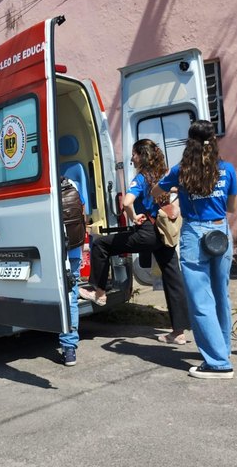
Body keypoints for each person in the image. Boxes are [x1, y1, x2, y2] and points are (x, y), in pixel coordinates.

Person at [79, 139, 190, 343]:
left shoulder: (140, 179)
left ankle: (99, 291)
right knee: (173, 278)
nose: (131, 157)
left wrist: (132, 215)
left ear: (141, 155)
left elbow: (126, 201)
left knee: (102, 244)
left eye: (134, 154)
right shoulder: (162, 175)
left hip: (147, 233)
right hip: (164, 233)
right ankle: (179, 333)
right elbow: (177, 189)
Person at [153, 120, 237, 379]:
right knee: (220, 294)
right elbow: (231, 207)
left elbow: (157, 191)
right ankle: (222, 349)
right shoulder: (227, 169)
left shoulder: (180, 171)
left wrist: (176, 190)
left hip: (194, 233)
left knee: (201, 299)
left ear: (189, 142)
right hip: (220, 231)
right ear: (214, 141)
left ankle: (217, 363)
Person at [60, 176, 85, 366]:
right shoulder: (72, 182)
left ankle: (67, 344)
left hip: (53, 249)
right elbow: (81, 214)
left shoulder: (44, 187)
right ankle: (69, 348)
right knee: (71, 295)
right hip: (74, 248)